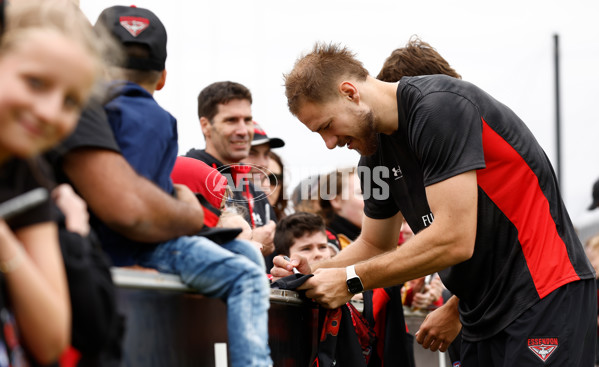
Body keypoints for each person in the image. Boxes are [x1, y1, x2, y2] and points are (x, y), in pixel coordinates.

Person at [274, 42, 596, 366]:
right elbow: (375, 244)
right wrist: (311, 273)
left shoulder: (438, 106)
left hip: (544, 292)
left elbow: (454, 240)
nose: (329, 144)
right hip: (480, 311)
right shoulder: (372, 159)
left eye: (327, 126)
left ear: (349, 92)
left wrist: (350, 280)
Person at [48, 6, 272, 366]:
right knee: (247, 275)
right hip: (134, 250)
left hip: (92, 243)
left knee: (245, 254)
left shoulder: (78, 106)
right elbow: (132, 205)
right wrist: (183, 209)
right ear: (163, 77)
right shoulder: (151, 114)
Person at [0, 0, 105, 364]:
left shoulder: (27, 177)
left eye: (70, 101)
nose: (48, 112)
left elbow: (50, 341)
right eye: (35, 82)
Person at [185, 81, 276, 255]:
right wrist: (249, 243)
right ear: (205, 126)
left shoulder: (257, 193)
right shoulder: (186, 178)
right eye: (231, 120)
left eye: (247, 120)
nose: (243, 130)